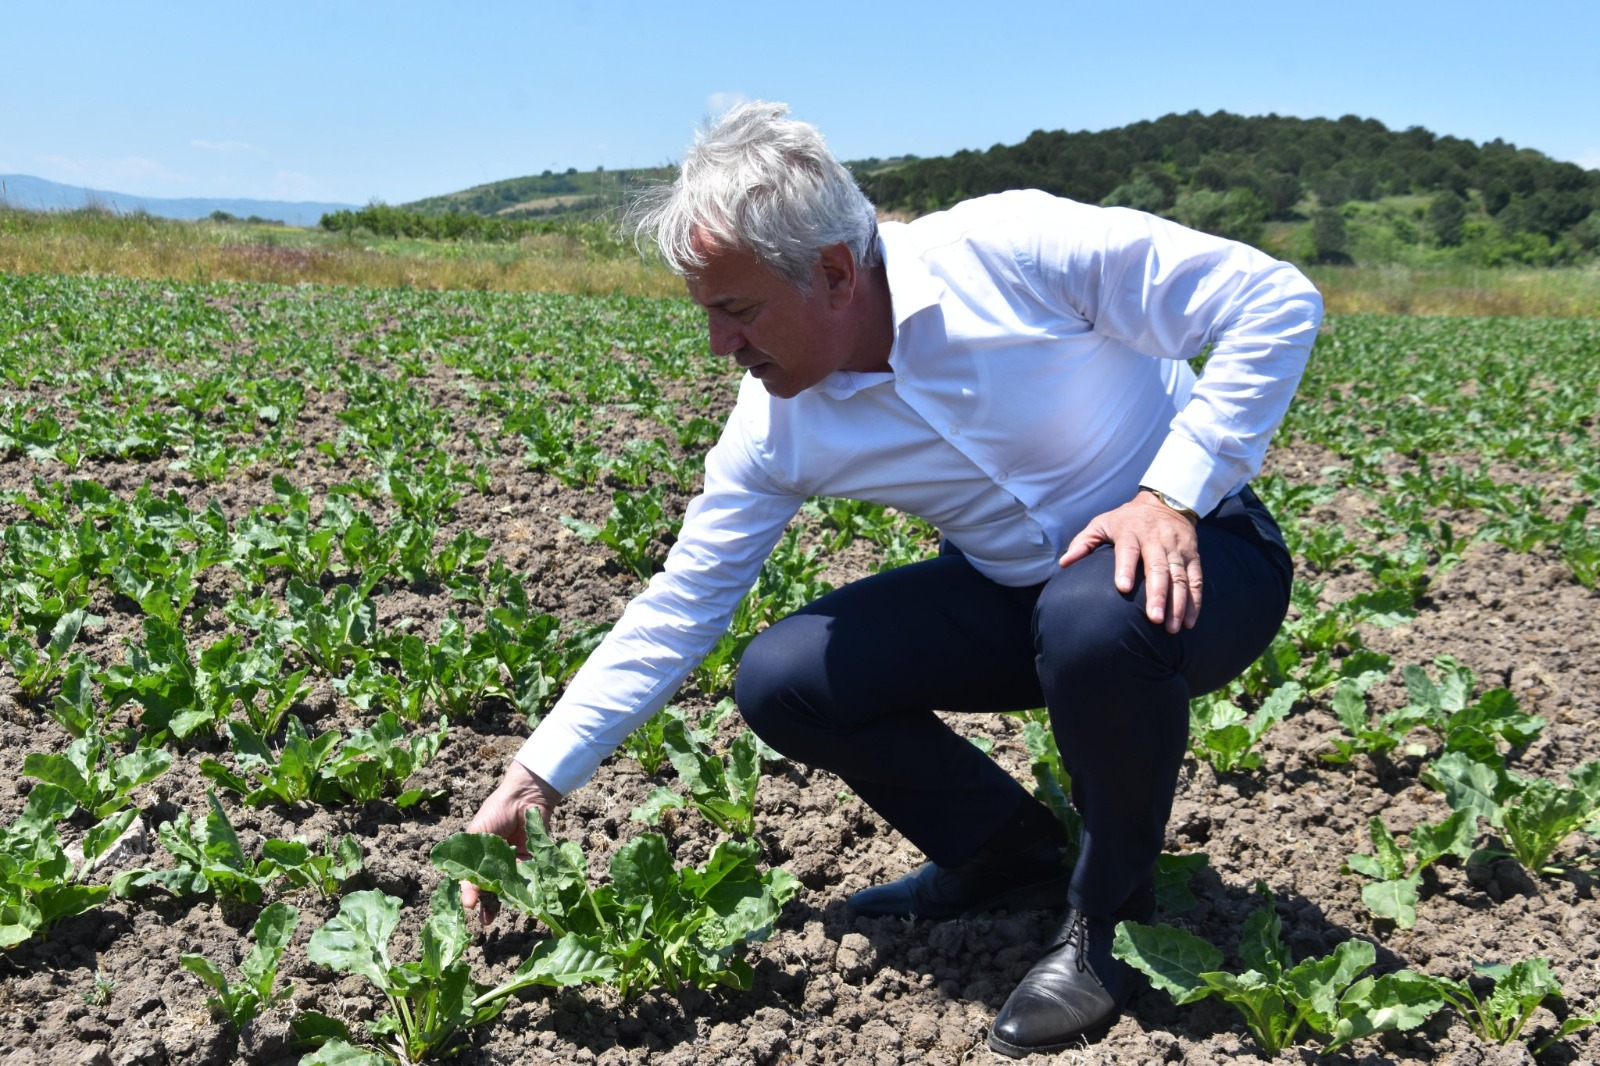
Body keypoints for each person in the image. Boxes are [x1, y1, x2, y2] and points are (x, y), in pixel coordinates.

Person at [460, 101, 1321, 1056]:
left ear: (833, 271)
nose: (718, 347)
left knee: (1093, 613)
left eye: (736, 310)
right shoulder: (776, 426)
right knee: (786, 679)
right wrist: (536, 777)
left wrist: (1170, 492)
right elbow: (682, 603)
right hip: (1016, 594)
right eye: (706, 312)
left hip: (1202, 563)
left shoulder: (1015, 251)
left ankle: (1108, 922)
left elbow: (1273, 299)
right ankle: (1008, 852)